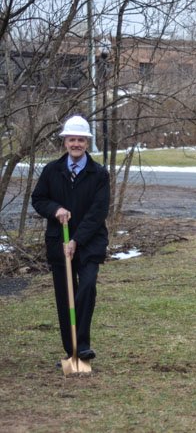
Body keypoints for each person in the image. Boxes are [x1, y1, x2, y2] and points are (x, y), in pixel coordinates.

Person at [32, 115, 110, 364]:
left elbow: (98, 211)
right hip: (59, 241)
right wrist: (56, 210)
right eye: (72, 139)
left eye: (81, 140)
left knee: (86, 287)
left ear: (87, 143)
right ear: (65, 142)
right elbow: (39, 199)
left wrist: (76, 239)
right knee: (65, 296)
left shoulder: (98, 174)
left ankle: (83, 345)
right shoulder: (52, 171)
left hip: (89, 242)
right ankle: (71, 351)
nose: (76, 144)